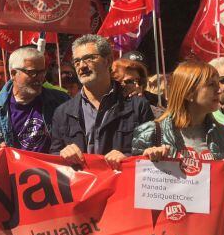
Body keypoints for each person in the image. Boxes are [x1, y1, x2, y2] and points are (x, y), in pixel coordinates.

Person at [50, 34, 154, 169]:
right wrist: (62, 154)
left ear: (108, 60)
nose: (81, 66)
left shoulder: (138, 107)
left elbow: (149, 156)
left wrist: (127, 158)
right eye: (77, 61)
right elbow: (53, 159)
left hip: (121, 187)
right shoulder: (62, 112)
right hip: (81, 188)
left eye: (89, 59)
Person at [132, 60, 224, 169]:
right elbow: (136, 179)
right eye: (211, 84)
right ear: (188, 93)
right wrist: (146, 158)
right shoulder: (150, 132)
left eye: (218, 83)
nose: (219, 90)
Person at [0, 47, 69, 152]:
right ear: (14, 73)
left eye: (42, 72)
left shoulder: (61, 101)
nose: (40, 78)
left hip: (52, 167)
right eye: (32, 72)